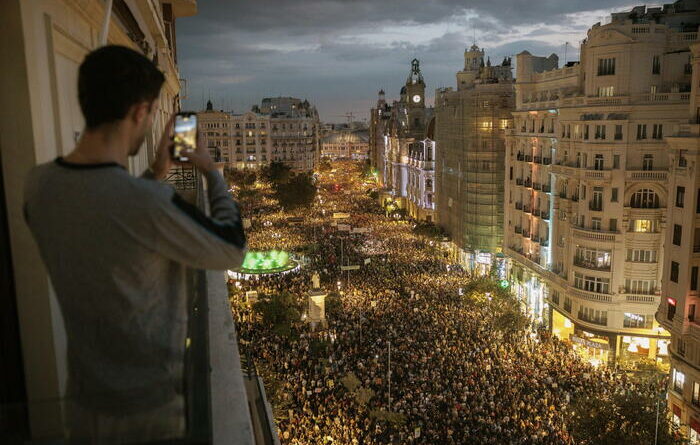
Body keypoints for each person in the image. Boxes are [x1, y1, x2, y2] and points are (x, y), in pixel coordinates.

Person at [23, 45, 247, 443]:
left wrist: (157, 172)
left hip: (82, 405)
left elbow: (105, 215)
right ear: (140, 112)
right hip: (149, 413)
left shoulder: (39, 186)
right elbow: (230, 248)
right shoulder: (146, 204)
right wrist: (212, 172)